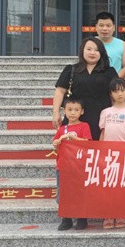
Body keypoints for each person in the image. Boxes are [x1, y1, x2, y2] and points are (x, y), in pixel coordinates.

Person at [52, 37, 118, 142]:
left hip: (101, 117)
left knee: (98, 147)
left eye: (96, 50)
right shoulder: (71, 69)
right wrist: (55, 112)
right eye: (89, 49)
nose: (92, 53)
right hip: (75, 116)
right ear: (82, 50)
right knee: (72, 146)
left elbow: (116, 95)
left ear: (101, 53)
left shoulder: (109, 71)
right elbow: (60, 91)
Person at [98, 78, 125, 230]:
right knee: (108, 185)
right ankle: (108, 214)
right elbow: (103, 133)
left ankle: (121, 214)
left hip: (124, 154)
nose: (119, 94)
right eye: (115, 91)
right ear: (111, 94)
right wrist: (101, 152)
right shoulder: (105, 112)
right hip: (108, 154)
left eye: (122, 90)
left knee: (122, 186)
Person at [52, 99, 92, 231]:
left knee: (79, 192)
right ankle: (66, 218)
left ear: (82, 111)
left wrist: (75, 139)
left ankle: (82, 218)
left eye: (76, 110)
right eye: (69, 110)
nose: (73, 113)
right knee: (64, 193)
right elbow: (56, 146)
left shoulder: (84, 126)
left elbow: (87, 143)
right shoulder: (62, 129)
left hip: (79, 166)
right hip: (63, 166)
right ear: (64, 111)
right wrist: (56, 143)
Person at [94, 11, 125, 79]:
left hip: (114, 83)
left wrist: (114, 80)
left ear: (113, 27)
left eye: (108, 26)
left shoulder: (123, 45)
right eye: (101, 25)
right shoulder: (88, 44)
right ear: (96, 27)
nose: (105, 29)